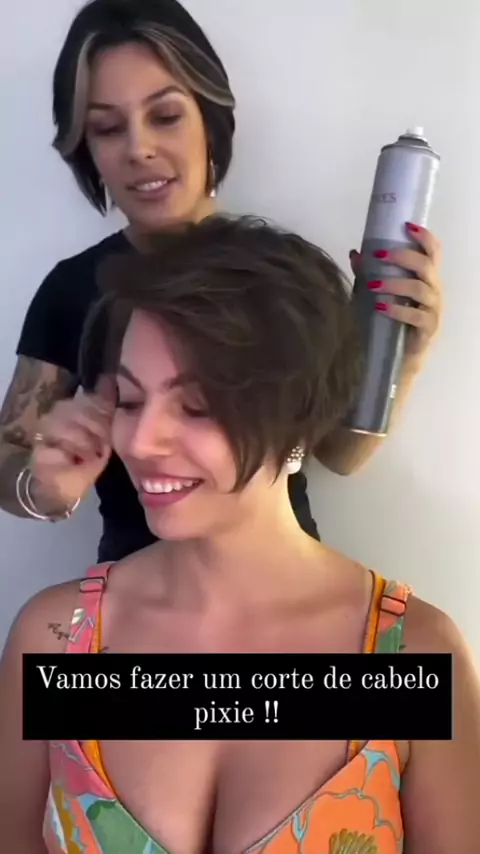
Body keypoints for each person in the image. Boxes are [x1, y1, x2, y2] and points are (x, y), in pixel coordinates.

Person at [0, 216, 476, 853]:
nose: (140, 441)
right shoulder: (56, 641)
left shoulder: (415, 656)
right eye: (130, 401)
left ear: (297, 416)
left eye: (197, 406)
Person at [0, 0, 443, 562]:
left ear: (209, 119)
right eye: (108, 128)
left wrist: (405, 357)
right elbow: (7, 466)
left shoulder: (282, 278)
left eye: (165, 116)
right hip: (135, 589)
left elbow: (338, 454)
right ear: (87, 148)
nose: (139, 149)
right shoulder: (70, 291)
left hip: (282, 583)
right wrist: (43, 486)